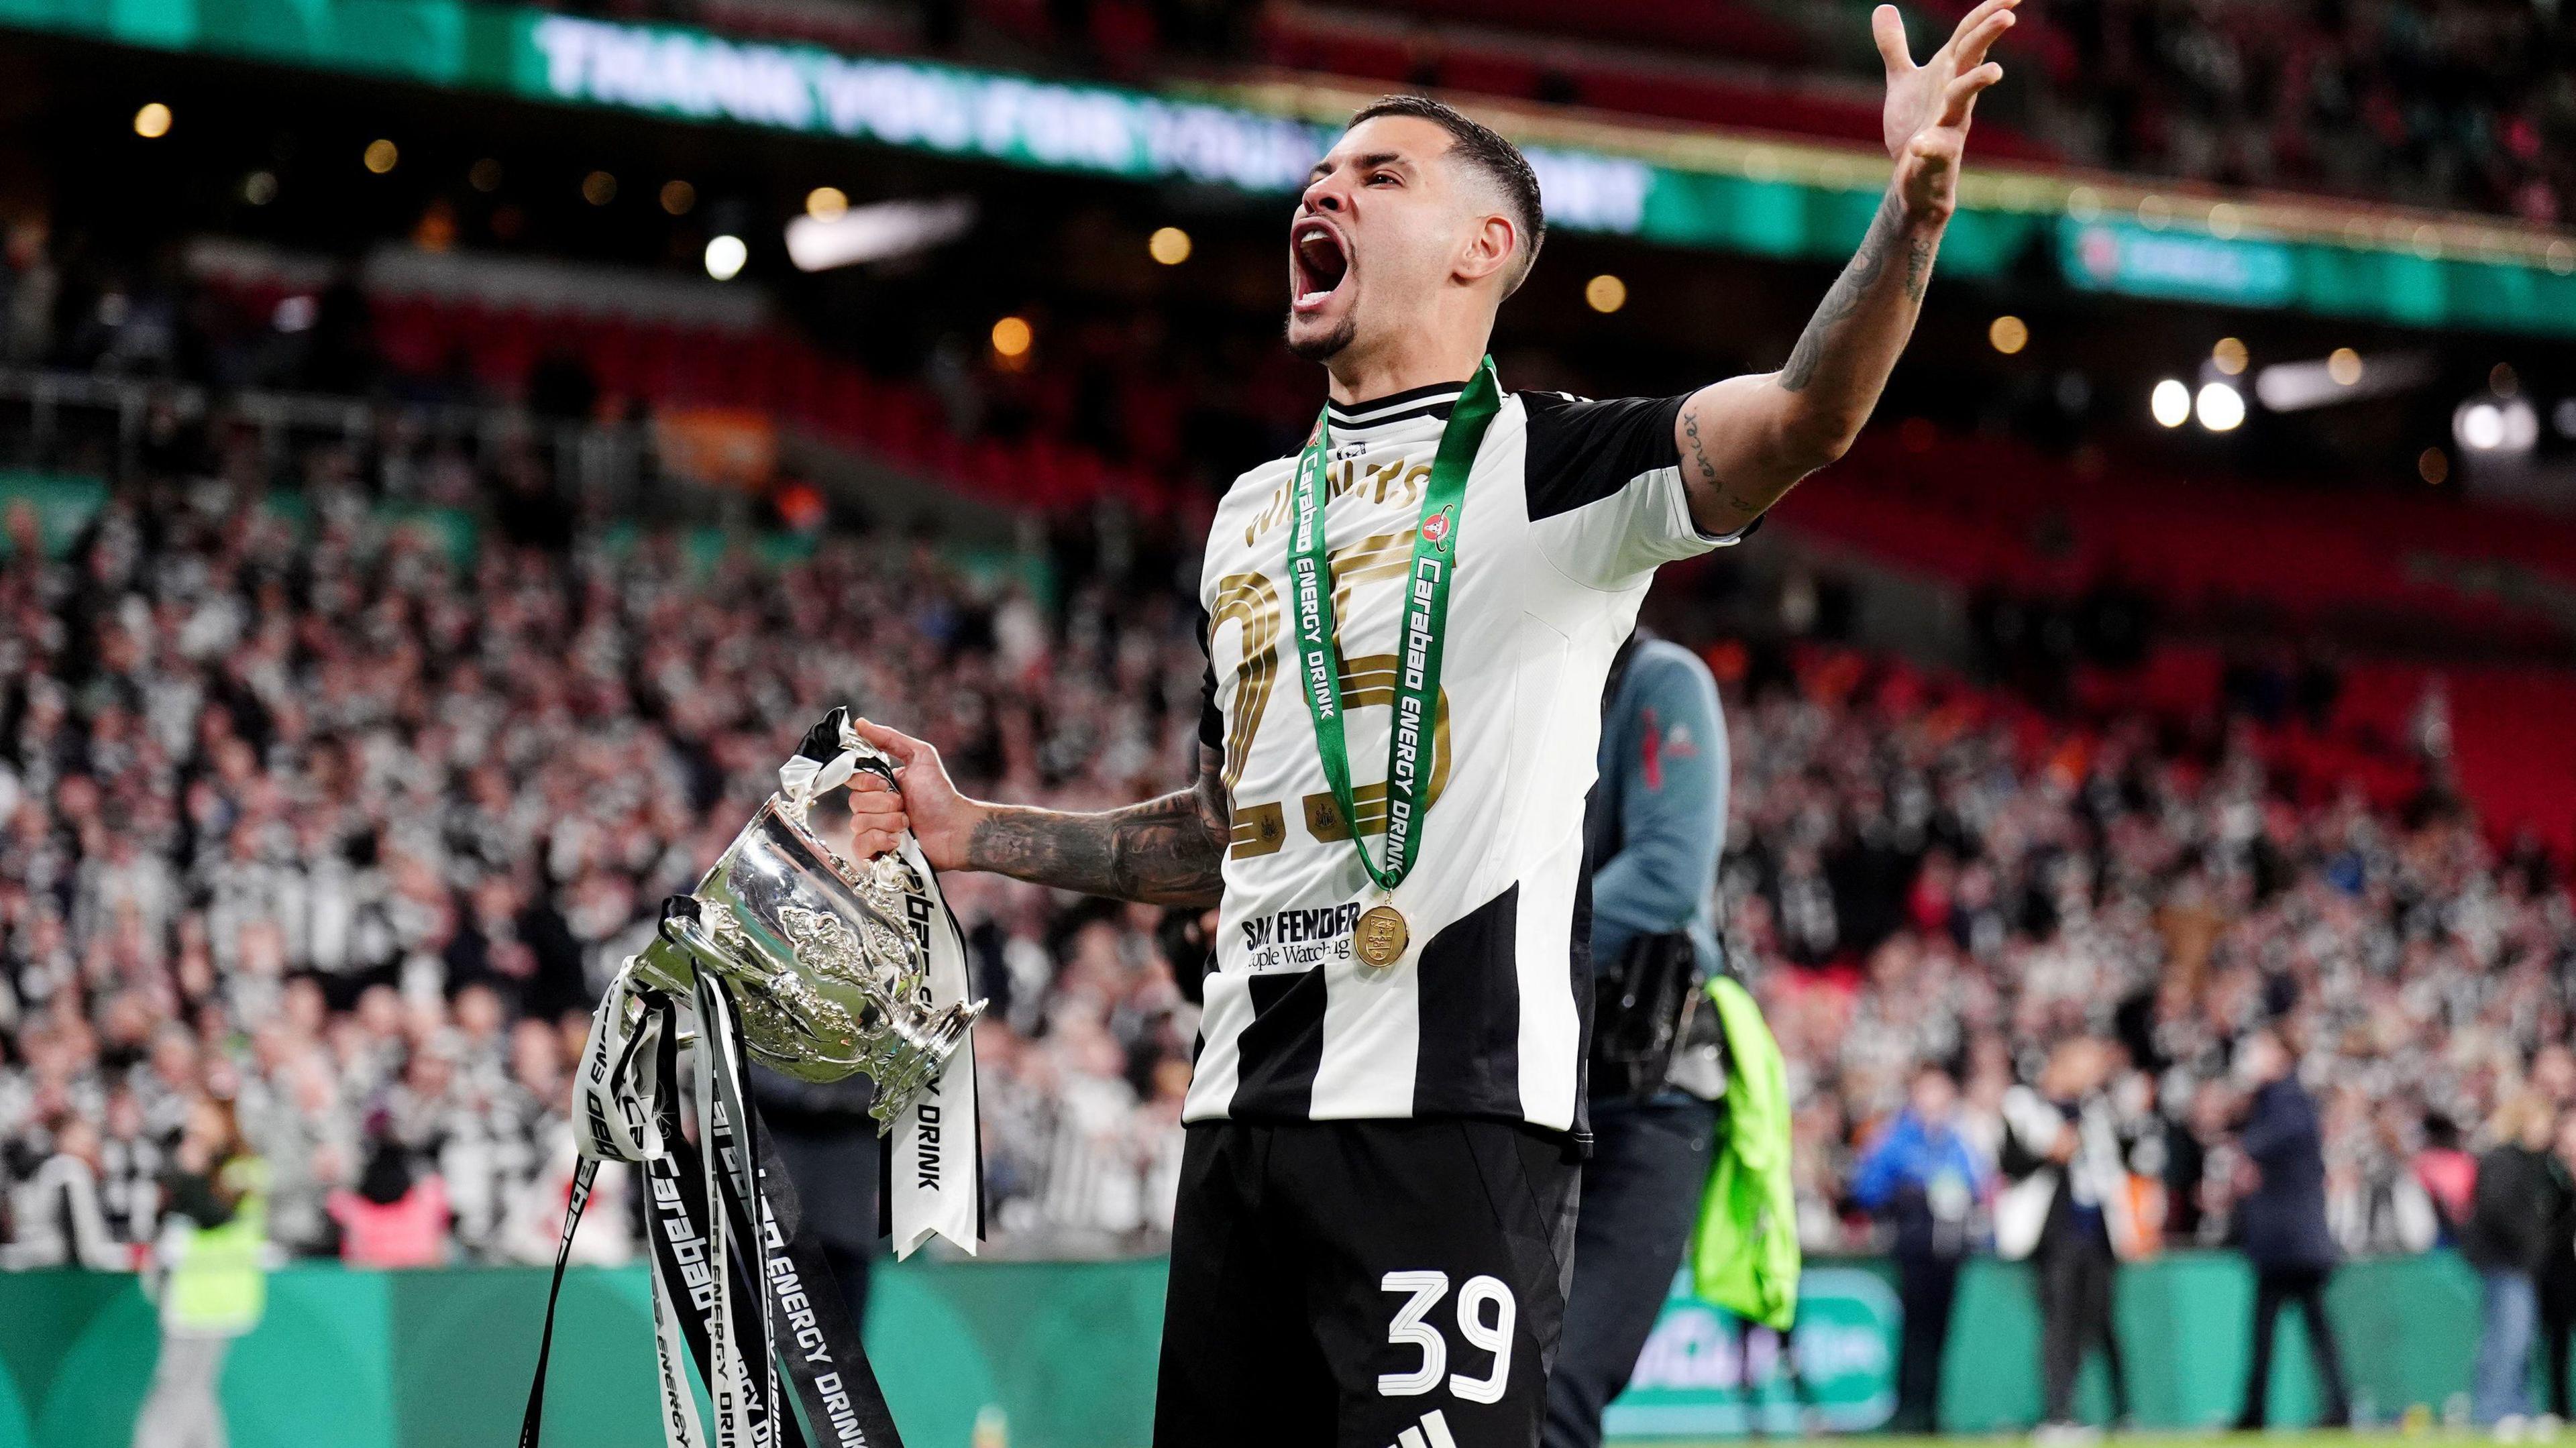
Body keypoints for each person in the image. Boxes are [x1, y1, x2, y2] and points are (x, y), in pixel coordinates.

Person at [845, 2, 2020, 1437]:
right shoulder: (1246, 514)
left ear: (1487, 249)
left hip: (1452, 1125)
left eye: (1381, 176)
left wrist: (1905, 221)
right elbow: (1227, 830)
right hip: (1239, 1127)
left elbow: (1802, 414)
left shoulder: (1555, 468)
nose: (1323, 189)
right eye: (1323, 171)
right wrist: (981, 831)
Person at [1542, 631, 1730, 1448]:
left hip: (1645, 1088)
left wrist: (1498, 943)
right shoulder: (1521, 681)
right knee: (1495, 1384)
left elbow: (1666, 870)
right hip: (1536, 1085)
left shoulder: (1657, 678)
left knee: (1555, 1383)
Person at [1998, 1038, 2133, 1435]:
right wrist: (2049, 1152)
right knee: (2059, 1322)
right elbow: (2009, 1163)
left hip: (2097, 1235)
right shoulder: (2025, 1106)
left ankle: (2119, 1410)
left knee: (2097, 1321)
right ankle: (2059, 1413)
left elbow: (2116, 1163)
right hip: (2055, 1235)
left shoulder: (2095, 1110)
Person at [1849, 1062, 1991, 1434]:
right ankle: (1907, 1409)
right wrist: (1909, 1192)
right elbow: (1867, 1189)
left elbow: (1977, 1186)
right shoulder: (1896, 1138)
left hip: (1949, 1251)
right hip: (1912, 1248)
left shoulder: (1956, 1141)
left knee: (1941, 1332)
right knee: (1912, 1332)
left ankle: (1931, 1411)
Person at [2228, 1029, 2351, 1430]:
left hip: (2291, 1242)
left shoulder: (2288, 1102)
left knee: (2280, 1332)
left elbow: (2257, 1146)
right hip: (2291, 1241)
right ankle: (2329, 1408)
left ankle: (2265, 1411)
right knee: (2304, 1332)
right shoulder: (2280, 1102)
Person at [132, 1097, 268, 1448]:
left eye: (203, 1118)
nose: (195, 1128)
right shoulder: (193, 1168)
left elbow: (216, 1217)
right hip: (188, 1293)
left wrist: (189, 1174)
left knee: (177, 1386)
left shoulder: (242, 1169)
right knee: (196, 1390)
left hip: (215, 1294)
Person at [2463, 1093, 2559, 1428]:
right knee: (2507, 1339)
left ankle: (2516, 1408)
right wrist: (2532, 1242)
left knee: (2519, 1339)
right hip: (2505, 1264)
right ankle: (2495, 1412)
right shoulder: (2505, 1160)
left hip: (2517, 1265)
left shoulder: (2534, 1163)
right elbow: (2498, 1211)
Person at [3, 1114, 142, 1270]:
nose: (93, 1146)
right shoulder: (70, 1171)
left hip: (35, 1265)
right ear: (66, 1139)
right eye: (86, 1140)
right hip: (57, 1273)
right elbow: (80, 1243)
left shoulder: (50, 1169)